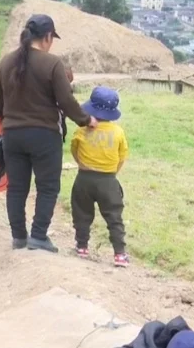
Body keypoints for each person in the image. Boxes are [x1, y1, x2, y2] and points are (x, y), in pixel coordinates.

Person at [0, 14, 96, 253]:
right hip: (44, 136)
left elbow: (0, 102)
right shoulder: (52, 64)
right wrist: (85, 119)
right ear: (48, 37)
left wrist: (9, 123)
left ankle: (19, 237)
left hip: (12, 135)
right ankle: (38, 236)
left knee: (17, 187)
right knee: (48, 187)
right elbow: (66, 100)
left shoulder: (6, 62)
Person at [70, 86, 130, 267]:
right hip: (108, 180)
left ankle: (82, 247)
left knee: (81, 213)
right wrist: (112, 173)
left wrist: (82, 164)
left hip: (84, 179)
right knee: (114, 217)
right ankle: (120, 254)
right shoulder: (118, 132)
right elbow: (122, 157)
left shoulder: (82, 130)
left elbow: (74, 150)